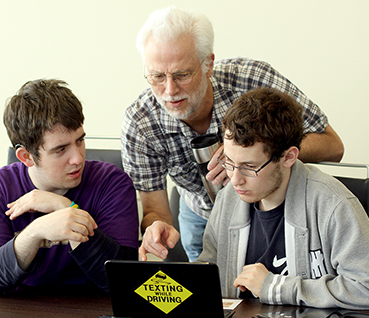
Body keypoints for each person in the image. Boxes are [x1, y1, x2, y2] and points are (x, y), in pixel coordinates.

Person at [121, 6, 344, 262]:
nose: (170, 90)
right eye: (157, 76)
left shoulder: (253, 80)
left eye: (182, 75)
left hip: (275, 215)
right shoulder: (140, 123)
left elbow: (333, 146)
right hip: (201, 219)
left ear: (208, 64)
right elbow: (154, 210)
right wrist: (156, 229)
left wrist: (244, 153)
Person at [197, 87, 369, 309]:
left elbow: (365, 287)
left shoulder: (333, 204)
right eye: (229, 162)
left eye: (249, 167)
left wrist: (276, 286)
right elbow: (207, 276)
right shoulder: (228, 198)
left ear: (288, 157)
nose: (235, 179)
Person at [0, 79, 139, 294]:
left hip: (92, 306)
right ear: (26, 157)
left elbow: (121, 279)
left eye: (79, 141)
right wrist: (35, 232)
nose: (77, 158)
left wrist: (66, 209)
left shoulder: (112, 183)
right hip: (21, 310)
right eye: (61, 150)